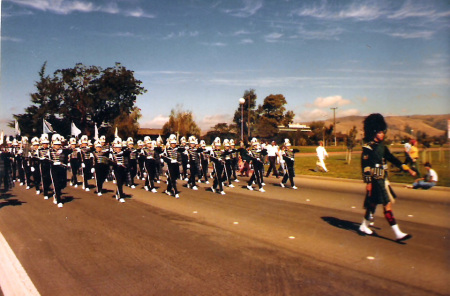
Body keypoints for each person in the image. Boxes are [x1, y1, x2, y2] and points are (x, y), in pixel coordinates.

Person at [359, 113, 416, 242]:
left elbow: (393, 159)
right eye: (380, 132)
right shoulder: (368, 147)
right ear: (374, 132)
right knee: (387, 204)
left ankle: (363, 225)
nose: (382, 134)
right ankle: (398, 233)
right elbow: (365, 166)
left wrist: (408, 169)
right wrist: (368, 182)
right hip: (376, 180)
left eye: (383, 132)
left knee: (373, 204)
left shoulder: (382, 147)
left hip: (383, 179)